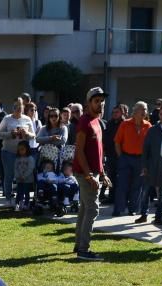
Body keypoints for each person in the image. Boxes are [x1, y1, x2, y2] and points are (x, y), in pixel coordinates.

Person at [72, 87, 111, 261]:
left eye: (102, 100)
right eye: (97, 101)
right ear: (89, 103)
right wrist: (90, 175)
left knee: (84, 209)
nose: (101, 104)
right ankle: (84, 250)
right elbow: (79, 152)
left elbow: (98, 152)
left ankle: (78, 245)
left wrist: (102, 173)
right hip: (85, 173)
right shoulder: (84, 122)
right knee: (92, 209)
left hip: (93, 172)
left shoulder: (97, 121)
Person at [113, 101, 150, 217]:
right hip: (126, 157)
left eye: (146, 109)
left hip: (140, 159)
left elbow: (149, 145)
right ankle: (118, 209)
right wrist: (121, 157)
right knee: (122, 184)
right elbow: (117, 142)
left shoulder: (148, 125)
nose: (145, 112)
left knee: (137, 185)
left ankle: (132, 209)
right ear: (135, 111)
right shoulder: (125, 124)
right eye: (142, 109)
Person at [0, 98, 34, 207]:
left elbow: (33, 136)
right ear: (12, 107)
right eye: (16, 106)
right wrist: (10, 133)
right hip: (8, 151)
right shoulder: (7, 119)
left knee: (22, 175)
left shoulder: (27, 119)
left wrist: (26, 133)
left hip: (23, 154)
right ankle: (8, 198)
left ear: (23, 107)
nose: (18, 108)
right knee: (9, 175)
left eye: (20, 106)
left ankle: (21, 199)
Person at [137, 105, 162, 225]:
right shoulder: (152, 130)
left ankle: (158, 216)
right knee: (146, 191)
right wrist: (144, 166)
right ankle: (143, 214)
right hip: (151, 166)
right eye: (161, 114)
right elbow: (145, 149)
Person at [101, 103, 124, 204]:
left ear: (122, 113)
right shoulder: (109, 123)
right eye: (113, 112)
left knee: (121, 178)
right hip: (110, 155)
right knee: (111, 177)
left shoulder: (124, 124)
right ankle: (111, 197)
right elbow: (105, 138)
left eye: (117, 112)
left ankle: (120, 198)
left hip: (121, 155)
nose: (114, 114)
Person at [13, 140, 35, 210]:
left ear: (27, 149)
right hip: (19, 179)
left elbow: (30, 168)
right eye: (19, 150)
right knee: (19, 192)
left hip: (27, 179)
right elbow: (15, 168)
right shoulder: (17, 159)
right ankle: (18, 203)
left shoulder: (30, 158)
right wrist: (17, 176)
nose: (20, 151)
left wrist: (24, 176)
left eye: (22, 149)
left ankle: (26, 203)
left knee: (26, 192)